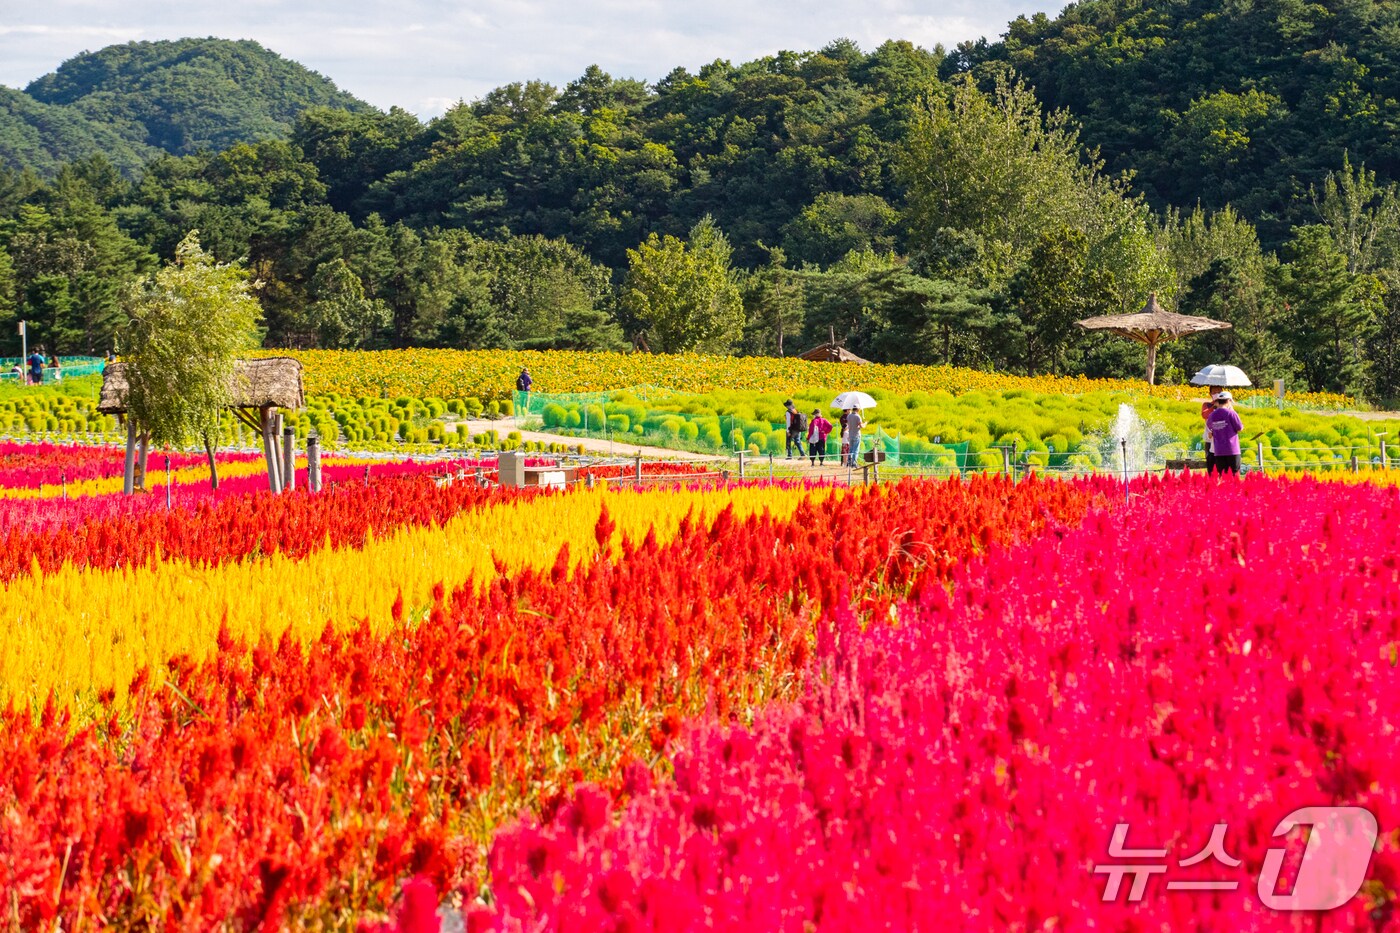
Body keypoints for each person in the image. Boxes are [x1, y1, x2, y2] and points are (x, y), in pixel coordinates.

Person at [1205, 391, 1243, 475]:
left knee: (1222, 476)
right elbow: (1240, 428)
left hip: (1218, 451)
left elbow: (1209, 426)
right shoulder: (1231, 413)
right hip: (1232, 450)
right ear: (1229, 401)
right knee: (1234, 476)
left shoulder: (1212, 415)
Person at [1200, 386, 1222, 472]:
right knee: (1211, 466)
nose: (1216, 394)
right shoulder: (1206, 405)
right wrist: (1214, 406)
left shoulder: (1225, 405)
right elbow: (1204, 415)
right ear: (1210, 394)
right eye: (1214, 392)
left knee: (1222, 466)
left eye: (1219, 392)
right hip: (1209, 440)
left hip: (1222, 440)